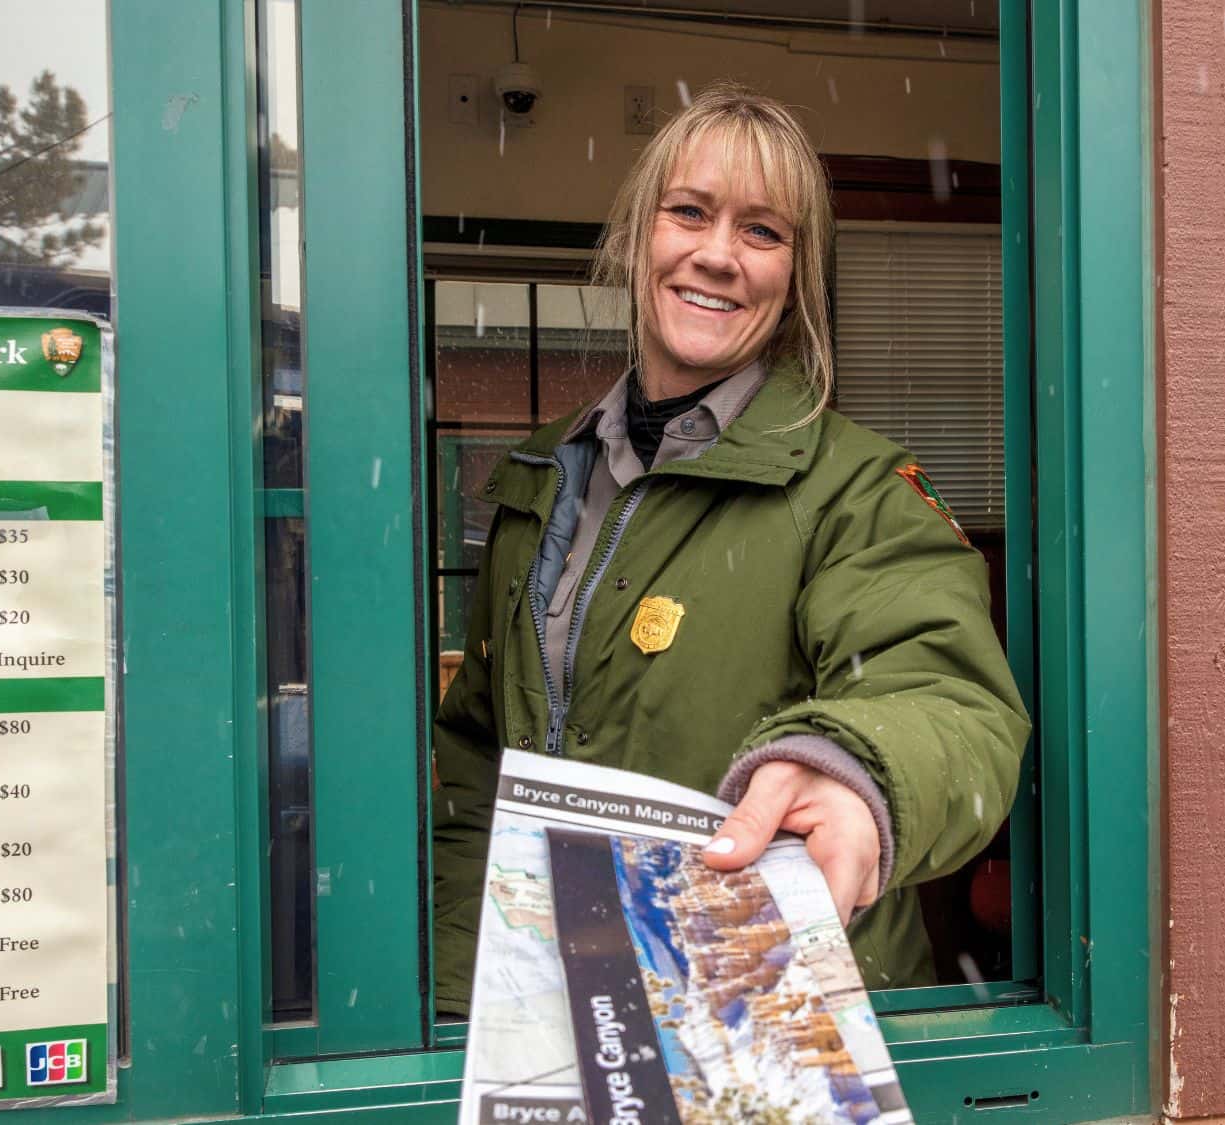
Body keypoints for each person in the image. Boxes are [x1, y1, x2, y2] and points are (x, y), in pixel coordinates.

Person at [432, 83, 1028, 1012]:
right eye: (690, 212)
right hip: (552, 1011)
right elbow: (479, 746)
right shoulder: (543, 473)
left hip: (766, 1012)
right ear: (639, 235)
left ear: (796, 276)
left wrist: (856, 773)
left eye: (763, 231)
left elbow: (955, 706)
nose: (717, 255)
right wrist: (461, 982)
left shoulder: (857, 489)